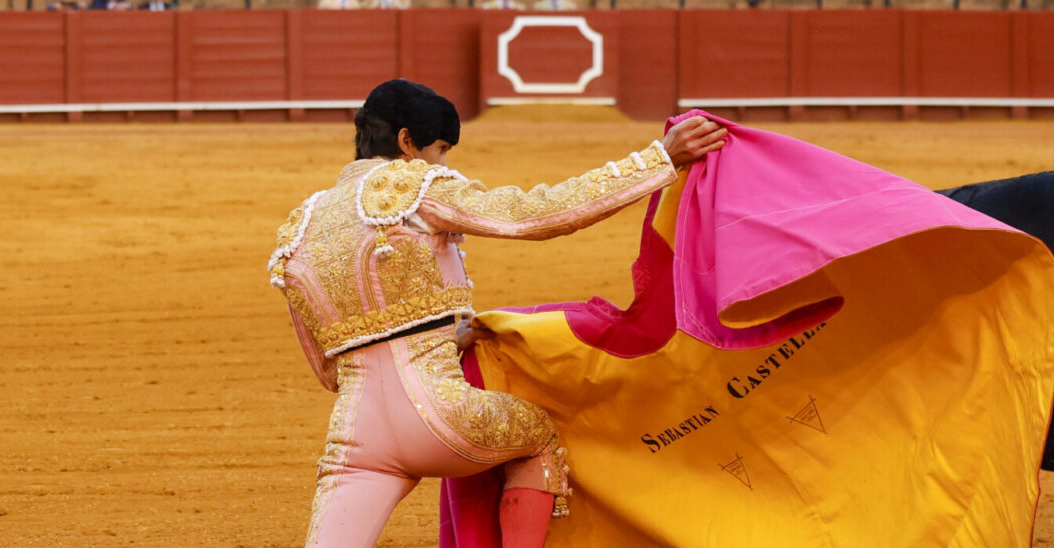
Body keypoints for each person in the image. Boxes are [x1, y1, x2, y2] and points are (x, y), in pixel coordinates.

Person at [268, 79, 725, 548]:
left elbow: (327, 367)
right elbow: (533, 214)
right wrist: (658, 161)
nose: (443, 164)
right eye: (440, 149)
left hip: (355, 437)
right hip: (442, 419)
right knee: (539, 438)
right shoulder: (412, 187)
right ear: (407, 143)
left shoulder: (303, 225)